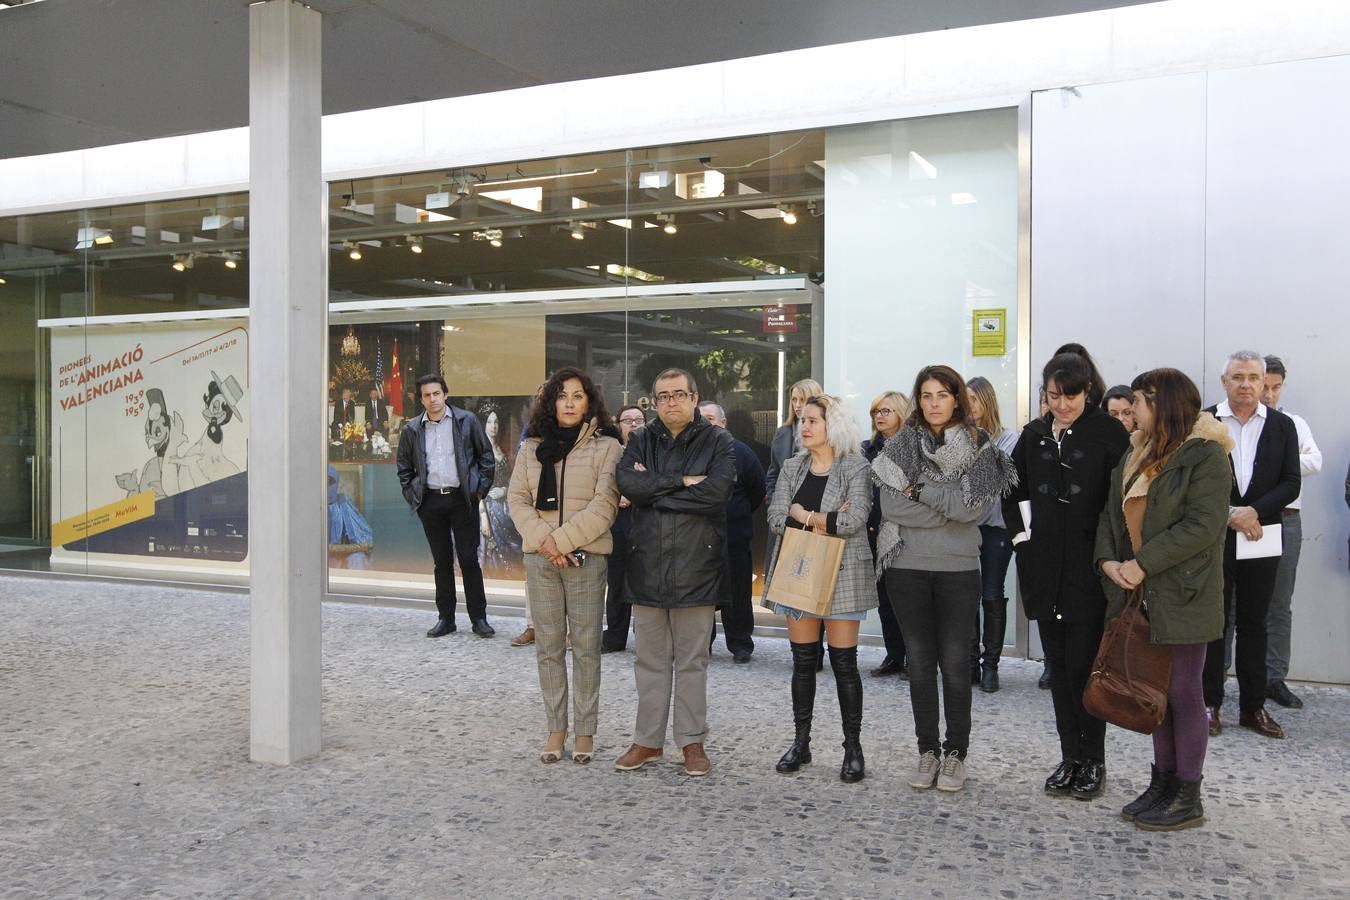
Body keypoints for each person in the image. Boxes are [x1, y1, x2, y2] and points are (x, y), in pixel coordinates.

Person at [1094, 368, 1232, 831]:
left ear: (1163, 402)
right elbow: (1111, 516)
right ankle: (1163, 782)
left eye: (1138, 401)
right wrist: (1108, 561)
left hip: (1185, 592)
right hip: (1140, 590)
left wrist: (1143, 563)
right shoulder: (1137, 452)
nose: (1131, 409)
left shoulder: (1207, 456)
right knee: (1155, 693)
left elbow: (1201, 526)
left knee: (1183, 693)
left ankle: (1187, 794)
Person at [874, 365, 1016, 793]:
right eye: (926, 395)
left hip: (957, 568)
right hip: (906, 566)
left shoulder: (982, 447)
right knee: (920, 662)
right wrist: (946, 502)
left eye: (942, 395)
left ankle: (956, 753)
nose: (934, 403)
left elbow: (973, 510)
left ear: (957, 399)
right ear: (918, 400)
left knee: (955, 664)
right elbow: (890, 506)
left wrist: (920, 490)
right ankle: (927, 751)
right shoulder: (900, 445)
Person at [1004, 348, 1129, 801]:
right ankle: (1069, 757)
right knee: (1058, 669)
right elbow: (1010, 491)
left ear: (1087, 391)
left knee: (1086, 668)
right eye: (1054, 395)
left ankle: (1093, 759)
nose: (1061, 404)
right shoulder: (1034, 435)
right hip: (1043, 571)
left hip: (1089, 572)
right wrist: (1021, 542)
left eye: (1070, 395)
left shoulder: (1110, 434)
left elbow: (1123, 504)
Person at [614, 368, 736, 777]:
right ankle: (646, 741)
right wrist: (684, 482)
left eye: (678, 394)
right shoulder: (640, 439)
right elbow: (629, 485)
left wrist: (657, 491)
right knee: (648, 661)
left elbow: (716, 493)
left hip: (697, 567)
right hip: (646, 564)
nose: (670, 402)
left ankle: (692, 742)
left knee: (692, 662)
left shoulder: (718, 441)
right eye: (662, 396)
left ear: (694, 397)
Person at [508, 367, 622, 765]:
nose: (569, 403)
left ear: (589, 401)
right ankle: (556, 727)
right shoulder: (530, 446)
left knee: (587, 648)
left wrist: (562, 541)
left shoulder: (608, 445)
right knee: (549, 648)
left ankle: (585, 730)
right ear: (550, 401)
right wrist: (547, 543)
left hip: (586, 558)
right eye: (561, 395)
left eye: (577, 395)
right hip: (541, 559)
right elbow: (517, 500)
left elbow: (604, 504)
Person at [763, 393, 876, 782]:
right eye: (803, 420)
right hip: (800, 572)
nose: (805, 427)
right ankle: (801, 742)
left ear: (835, 426)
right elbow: (777, 517)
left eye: (814, 420)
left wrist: (803, 514)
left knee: (845, 664)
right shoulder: (793, 466)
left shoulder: (856, 467)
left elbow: (855, 518)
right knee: (802, 661)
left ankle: (853, 748)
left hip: (843, 573)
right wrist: (821, 518)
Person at [1201, 350, 1300, 739]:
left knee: (1255, 621)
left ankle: (1253, 707)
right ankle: (1210, 704)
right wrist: (1228, 512)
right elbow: (1191, 482)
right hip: (1214, 535)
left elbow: (1291, 481)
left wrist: (1252, 511)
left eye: (1253, 378)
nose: (1246, 384)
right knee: (1214, 621)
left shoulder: (1282, 426)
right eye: (1238, 377)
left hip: (1261, 534)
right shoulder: (1205, 422)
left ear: (1265, 383)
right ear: (1224, 382)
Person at [396, 373, 497, 639]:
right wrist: (413, 496)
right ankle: (446, 618)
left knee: (468, 560)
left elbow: (486, 457)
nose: (433, 399)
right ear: (421, 399)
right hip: (431, 501)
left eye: (436, 394)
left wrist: (479, 491)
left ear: (445, 394)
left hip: (462, 499)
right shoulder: (412, 429)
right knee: (441, 562)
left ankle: (479, 618)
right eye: (427, 395)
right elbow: (404, 467)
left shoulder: (467, 421)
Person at [1259, 355, 1322, 709]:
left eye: (1275, 387)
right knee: (1233, 602)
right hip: (1246, 518)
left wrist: (1279, 461)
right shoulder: (1238, 423)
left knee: (1279, 603)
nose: (1268, 394)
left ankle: (1274, 678)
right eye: (1263, 386)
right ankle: (1217, 680)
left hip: (1286, 518)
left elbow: (1315, 460)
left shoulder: (1293, 423)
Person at [700, 400, 767, 663]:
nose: (706, 423)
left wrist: (736, 512)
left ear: (723, 423)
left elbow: (757, 490)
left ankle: (740, 645)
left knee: (738, 595)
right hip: (697, 540)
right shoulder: (688, 453)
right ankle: (701, 644)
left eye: (712, 419)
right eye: (701, 418)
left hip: (734, 538)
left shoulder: (742, 452)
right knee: (701, 598)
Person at [766, 377, 826, 667]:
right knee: (793, 581)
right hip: (787, 517)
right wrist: (773, 499)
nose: (798, 406)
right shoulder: (782, 433)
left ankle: (818, 648)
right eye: (794, 400)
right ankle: (801, 649)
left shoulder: (829, 434)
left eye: (804, 399)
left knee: (817, 581)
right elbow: (772, 472)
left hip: (818, 517)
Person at [965, 376, 1019, 693]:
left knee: (991, 593)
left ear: (987, 400)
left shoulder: (1010, 439)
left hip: (997, 528)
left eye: (973, 398)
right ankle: (970, 663)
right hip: (965, 529)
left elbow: (993, 483)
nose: (968, 405)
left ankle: (991, 667)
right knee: (968, 594)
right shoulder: (957, 439)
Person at [861, 390, 911, 678]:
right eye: (875, 412)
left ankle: (915, 658)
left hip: (904, 533)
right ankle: (895, 656)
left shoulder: (913, 450)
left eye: (886, 411)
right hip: (873, 532)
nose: (879, 416)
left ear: (901, 414)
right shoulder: (866, 450)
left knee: (907, 600)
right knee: (884, 599)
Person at [602, 405, 646, 653]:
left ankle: (646, 638)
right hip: (618, 525)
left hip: (645, 526)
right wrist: (615, 496)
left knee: (644, 583)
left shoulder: (655, 453)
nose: (633, 424)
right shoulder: (610, 453)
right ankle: (615, 637)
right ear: (618, 425)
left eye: (639, 420)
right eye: (628, 420)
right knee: (617, 583)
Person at [479, 406, 522, 575]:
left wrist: (504, 490)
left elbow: (509, 479)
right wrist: (483, 516)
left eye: (496, 422)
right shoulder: (479, 451)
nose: (493, 426)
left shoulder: (501, 450)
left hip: (503, 507)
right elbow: (474, 485)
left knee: (512, 544)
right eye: (489, 422)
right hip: (485, 507)